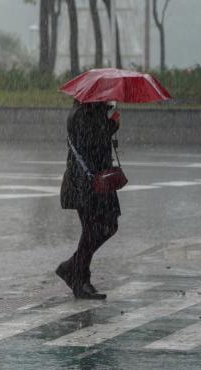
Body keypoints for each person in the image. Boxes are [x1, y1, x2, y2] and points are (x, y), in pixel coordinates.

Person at [57, 100, 121, 300]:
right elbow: (90, 143)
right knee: (95, 229)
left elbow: (96, 142)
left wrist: (108, 125)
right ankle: (79, 278)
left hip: (97, 181)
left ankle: (73, 270)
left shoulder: (93, 111)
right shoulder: (82, 113)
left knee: (106, 226)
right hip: (85, 182)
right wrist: (111, 126)